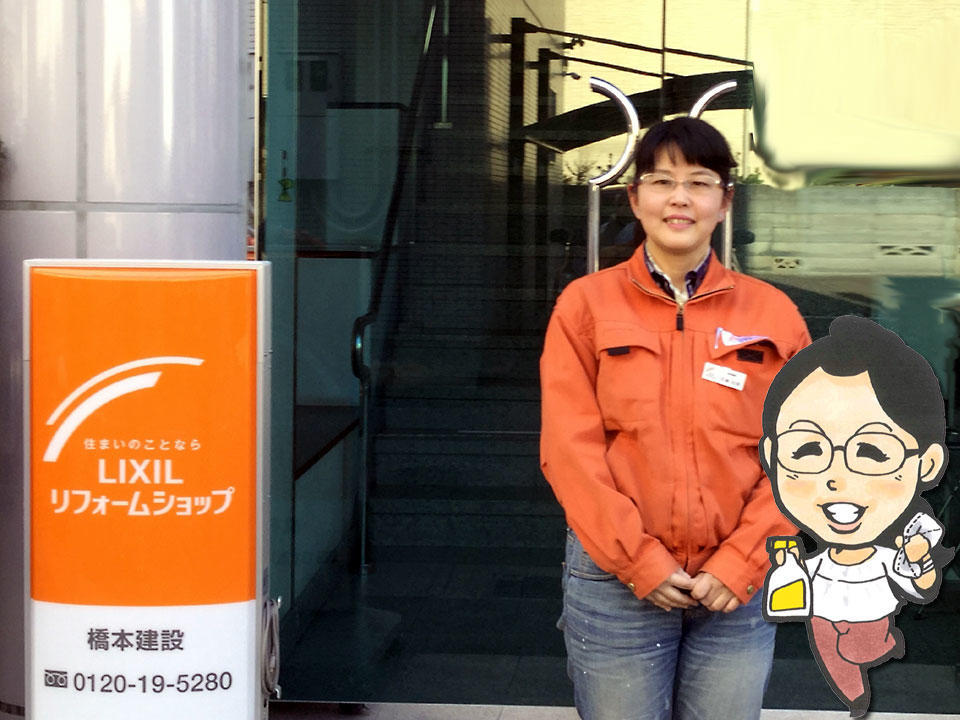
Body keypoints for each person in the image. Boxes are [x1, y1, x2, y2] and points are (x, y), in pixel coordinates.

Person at [539, 116, 811, 720]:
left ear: (725, 201)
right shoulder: (585, 306)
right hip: (615, 580)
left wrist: (742, 560)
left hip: (737, 585)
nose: (680, 198)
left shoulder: (774, 314)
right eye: (662, 181)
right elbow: (569, 449)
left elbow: (802, 457)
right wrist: (638, 560)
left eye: (699, 182)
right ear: (634, 197)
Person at [760, 315, 951, 717]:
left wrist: (918, 559)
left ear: (928, 464)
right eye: (807, 450)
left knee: (858, 647)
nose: (837, 476)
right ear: (771, 456)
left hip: (872, 616)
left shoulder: (888, 557)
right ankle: (855, 696)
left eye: (873, 452)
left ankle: (883, 646)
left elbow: (920, 586)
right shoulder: (816, 562)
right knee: (834, 655)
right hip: (823, 613)